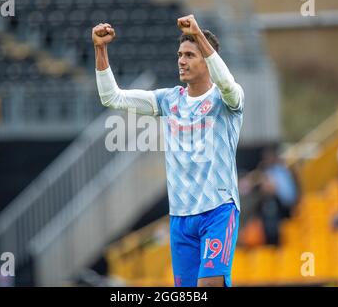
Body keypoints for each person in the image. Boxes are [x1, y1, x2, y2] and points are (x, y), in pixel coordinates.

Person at [92, 14, 245, 287]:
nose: (181, 61)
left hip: (218, 210)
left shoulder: (227, 99)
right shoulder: (169, 100)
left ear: (207, 62)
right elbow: (111, 97)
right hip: (180, 218)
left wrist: (198, 34)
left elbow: (227, 83)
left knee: (208, 286)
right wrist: (100, 49)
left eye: (190, 55)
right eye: (180, 54)